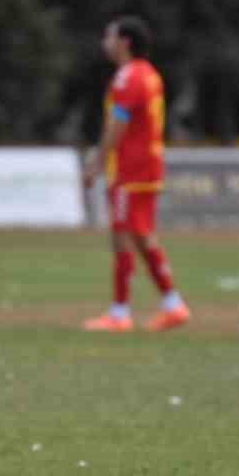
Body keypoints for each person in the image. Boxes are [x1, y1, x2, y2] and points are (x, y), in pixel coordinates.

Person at [79, 16, 189, 333]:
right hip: (149, 166)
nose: (105, 43)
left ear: (124, 42)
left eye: (109, 36)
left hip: (131, 169)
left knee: (122, 237)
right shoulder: (149, 74)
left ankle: (120, 313)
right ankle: (173, 304)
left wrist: (96, 163)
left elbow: (118, 124)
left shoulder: (127, 77)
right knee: (141, 235)